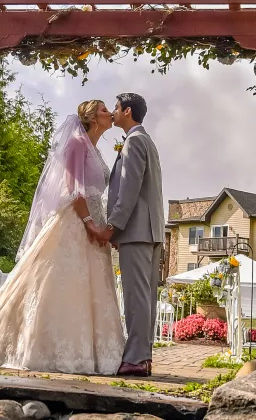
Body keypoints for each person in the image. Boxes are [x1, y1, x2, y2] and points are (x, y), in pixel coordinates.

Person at [0, 100, 125, 374]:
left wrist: (103, 226)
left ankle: (94, 352)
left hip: (95, 221)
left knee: (91, 288)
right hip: (76, 222)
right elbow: (73, 190)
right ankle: (47, 348)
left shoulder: (95, 148)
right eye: (103, 109)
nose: (109, 113)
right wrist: (90, 225)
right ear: (90, 116)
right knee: (60, 283)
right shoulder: (76, 142)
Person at [86, 93, 164, 377]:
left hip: (138, 231)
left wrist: (111, 227)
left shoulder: (135, 141)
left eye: (115, 108)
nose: (113, 112)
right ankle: (142, 357)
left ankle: (137, 359)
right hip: (147, 230)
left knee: (137, 298)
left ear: (127, 111)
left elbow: (129, 191)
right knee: (143, 297)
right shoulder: (144, 140)